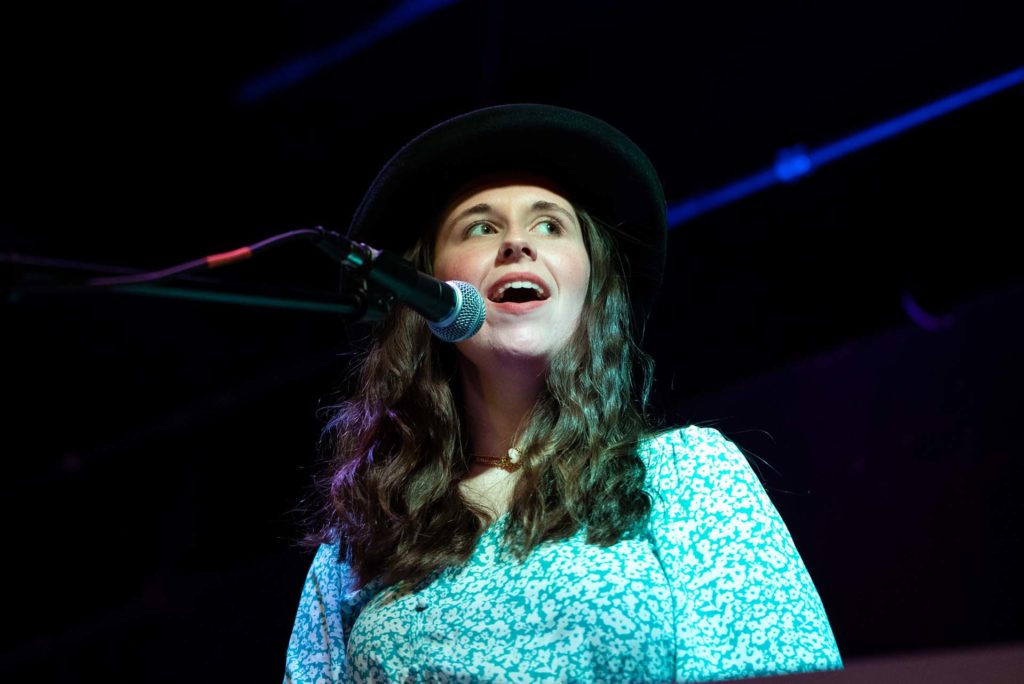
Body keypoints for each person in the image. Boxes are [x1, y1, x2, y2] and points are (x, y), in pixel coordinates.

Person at [284, 104, 842, 682]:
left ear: (591, 286)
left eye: (550, 226)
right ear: (424, 286)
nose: (516, 243)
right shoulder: (360, 544)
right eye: (480, 227)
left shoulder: (686, 473)